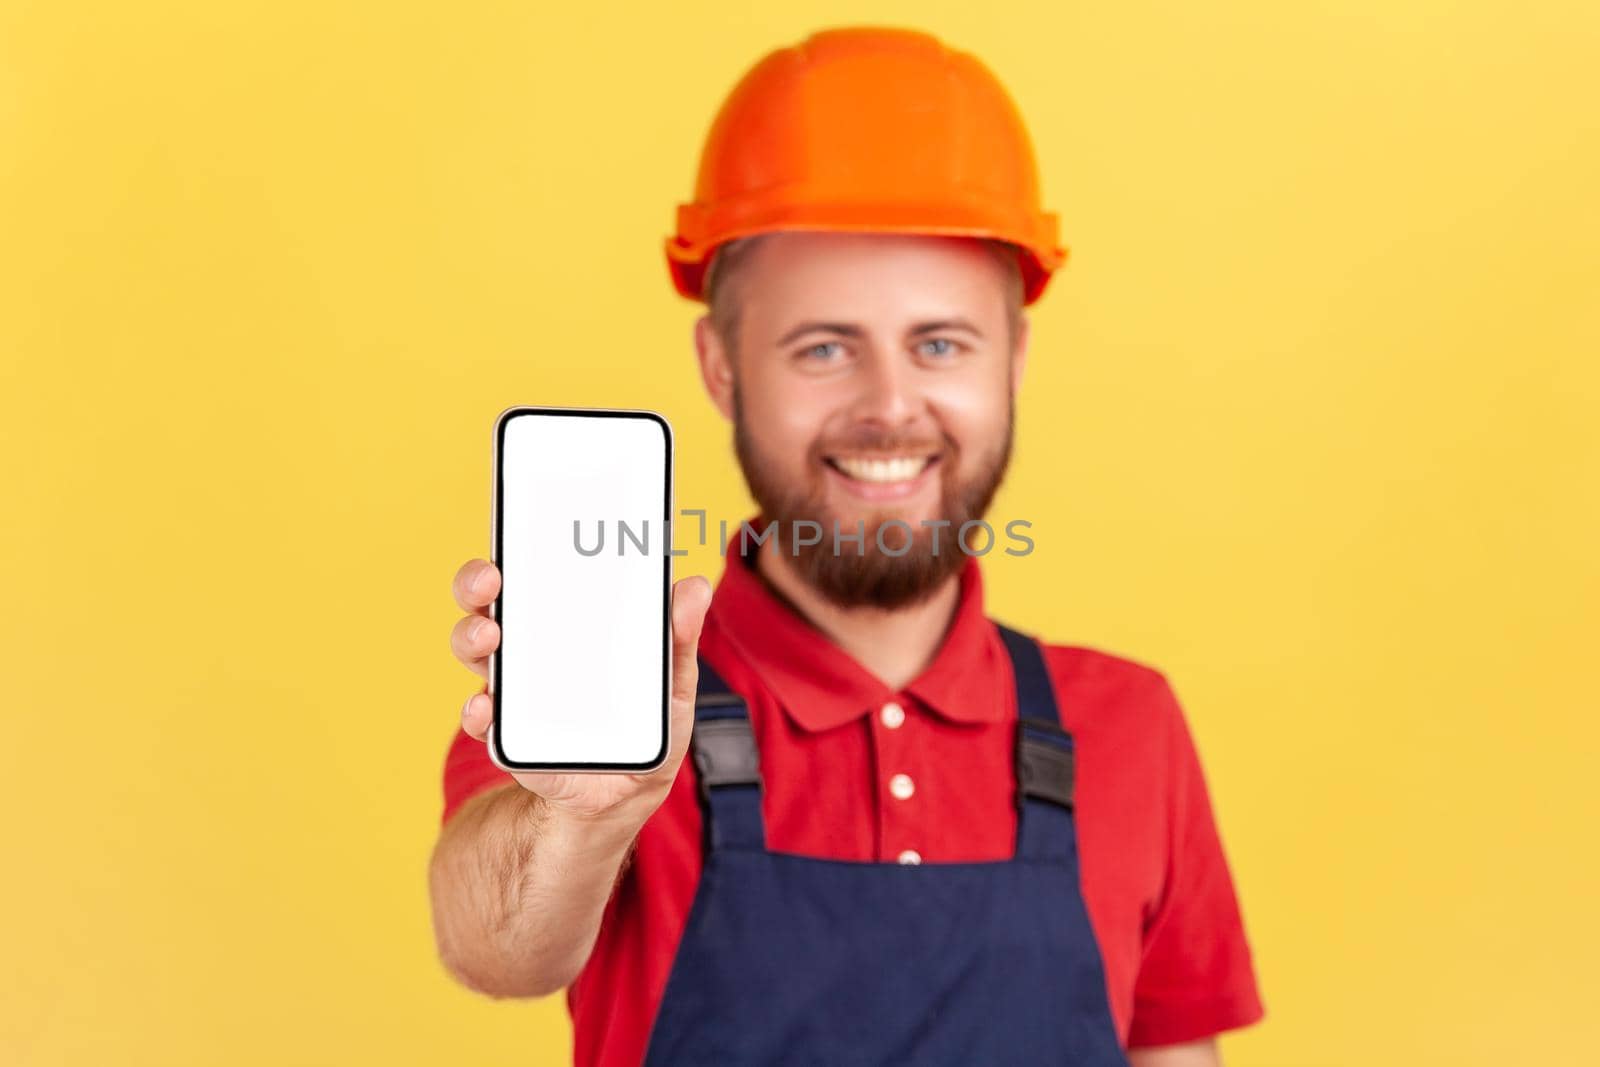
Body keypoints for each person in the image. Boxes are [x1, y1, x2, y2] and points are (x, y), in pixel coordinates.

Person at [430, 25, 1264, 1067]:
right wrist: (587, 819)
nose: (888, 407)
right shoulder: (613, 698)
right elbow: (494, 951)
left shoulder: (1129, 725)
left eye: (940, 343)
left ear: (1013, 359)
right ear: (722, 365)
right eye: (823, 347)